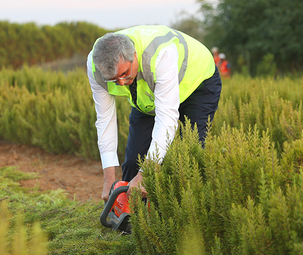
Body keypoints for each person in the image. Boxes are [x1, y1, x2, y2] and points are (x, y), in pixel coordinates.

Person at [87, 25, 222, 201]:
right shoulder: (95, 66)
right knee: (133, 162)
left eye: (125, 74)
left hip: (197, 83)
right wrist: (109, 179)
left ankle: (183, 213)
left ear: (134, 55)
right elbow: (105, 120)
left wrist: (146, 173)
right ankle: (136, 216)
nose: (120, 83)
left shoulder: (162, 54)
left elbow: (166, 118)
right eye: (113, 79)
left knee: (188, 157)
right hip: (149, 94)